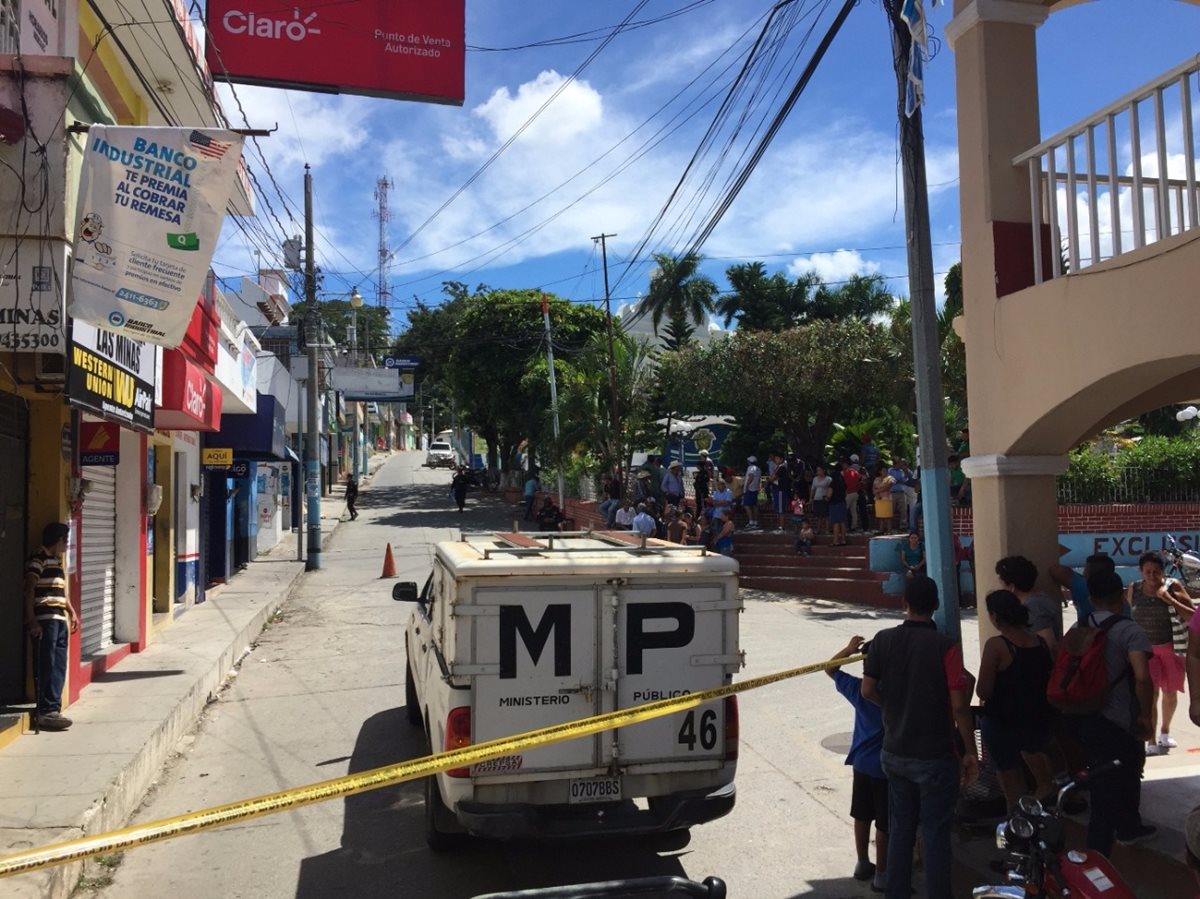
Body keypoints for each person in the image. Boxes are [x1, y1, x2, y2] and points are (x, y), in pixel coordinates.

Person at [862, 576, 978, 899]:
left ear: (904, 604)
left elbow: (867, 689)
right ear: (937, 606)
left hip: (895, 752)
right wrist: (970, 751)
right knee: (936, 834)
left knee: (901, 829)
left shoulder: (882, 641)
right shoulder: (945, 647)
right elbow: (960, 706)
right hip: (936, 756)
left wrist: (894, 707)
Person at [1063, 569, 1155, 854]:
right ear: (1122, 595)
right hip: (1118, 719)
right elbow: (1142, 677)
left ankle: (1118, 831)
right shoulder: (1130, 631)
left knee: (1103, 776)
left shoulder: (1080, 627)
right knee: (1122, 775)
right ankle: (1103, 848)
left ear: (1090, 597)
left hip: (1083, 714)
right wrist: (1145, 715)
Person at [976, 590, 1056, 810]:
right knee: (1036, 775)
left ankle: (1018, 824)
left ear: (995, 616)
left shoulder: (997, 645)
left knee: (1011, 786)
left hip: (1004, 722)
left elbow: (983, 690)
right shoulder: (1039, 642)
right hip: (1035, 720)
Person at [827, 635, 889, 892]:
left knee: (862, 814)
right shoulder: (897, 691)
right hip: (888, 766)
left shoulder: (858, 689)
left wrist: (849, 650)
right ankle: (882, 874)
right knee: (886, 822)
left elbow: (830, 668)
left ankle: (862, 862)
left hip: (862, 763)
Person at [1126, 551, 1194, 755]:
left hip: (1171, 649)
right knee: (1151, 694)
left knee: (1170, 693)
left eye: (1156, 572)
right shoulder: (1134, 589)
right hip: (1145, 652)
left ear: (1163, 571)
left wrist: (1169, 600)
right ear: (1140, 571)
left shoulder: (1173, 588)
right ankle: (1152, 739)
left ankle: (1165, 731)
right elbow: (1129, 615)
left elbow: (1192, 616)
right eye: (1147, 572)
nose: (1152, 576)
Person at [25, 522, 77, 731]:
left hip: (59, 620)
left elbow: (62, 594)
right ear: (58, 540)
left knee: (58, 664)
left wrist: (71, 611)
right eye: (65, 540)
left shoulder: (56, 562)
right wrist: (32, 621)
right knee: (46, 663)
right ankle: (45, 710)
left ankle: (53, 707)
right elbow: (28, 590)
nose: (67, 544)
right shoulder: (38, 559)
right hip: (45, 620)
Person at [995, 555, 1061, 652]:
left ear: (1012, 587)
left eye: (1002, 584)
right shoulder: (1035, 601)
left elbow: (1048, 644)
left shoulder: (1034, 607)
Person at [1049, 551, 1118, 626]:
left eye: (1085, 568)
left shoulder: (1083, 587)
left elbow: (1055, 570)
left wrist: (1080, 578)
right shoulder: (1118, 593)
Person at [828, 464, 848, 547]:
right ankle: (843, 540)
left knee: (836, 523)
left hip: (834, 503)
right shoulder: (843, 482)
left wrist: (826, 498)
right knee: (842, 522)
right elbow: (846, 493)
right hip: (842, 503)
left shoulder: (832, 483)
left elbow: (829, 495)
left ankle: (835, 541)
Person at [809, 464, 832, 536]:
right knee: (818, 515)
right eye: (817, 470)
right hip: (817, 498)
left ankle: (827, 529)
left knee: (826, 515)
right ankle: (818, 529)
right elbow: (813, 489)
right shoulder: (815, 479)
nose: (818, 471)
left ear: (823, 470)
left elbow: (830, 488)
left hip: (824, 498)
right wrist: (811, 498)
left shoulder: (828, 479)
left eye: (820, 470)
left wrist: (828, 497)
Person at [872, 464, 895, 536]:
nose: (885, 472)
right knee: (880, 516)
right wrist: (876, 493)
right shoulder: (876, 479)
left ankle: (889, 530)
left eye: (886, 470)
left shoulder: (890, 478)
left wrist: (878, 491)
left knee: (888, 515)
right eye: (883, 471)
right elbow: (874, 488)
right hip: (878, 499)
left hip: (887, 498)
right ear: (880, 472)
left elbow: (887, 486)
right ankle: (881, 530)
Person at [887, 460, 908, 534]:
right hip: (893, 493)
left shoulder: (902, 471)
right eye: (899, 463)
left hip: (901, 492)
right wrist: (897, 480)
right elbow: (891, 480)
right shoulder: (890, 470)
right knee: (891, 510)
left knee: (903, 510)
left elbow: (904, 480)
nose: (900, 465)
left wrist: (900, 479)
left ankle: (903, 526)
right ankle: (890, 527)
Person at [843, 457, 863, 532]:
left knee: (844, 510)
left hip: (848, 493)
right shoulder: (855, 472)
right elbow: (860, 480)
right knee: (853, 511)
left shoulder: (845, 472)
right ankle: (854, 526)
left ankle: (843, 526)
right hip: (855, 493)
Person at [743, 456, 762, 530]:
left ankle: (751, 522)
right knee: (754, 506)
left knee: (747, 505)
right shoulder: (758, 469)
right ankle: (755, 522)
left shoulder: (750, 468)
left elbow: (750, 476)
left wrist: (746, 486)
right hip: (755, 489)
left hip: (749, 489)